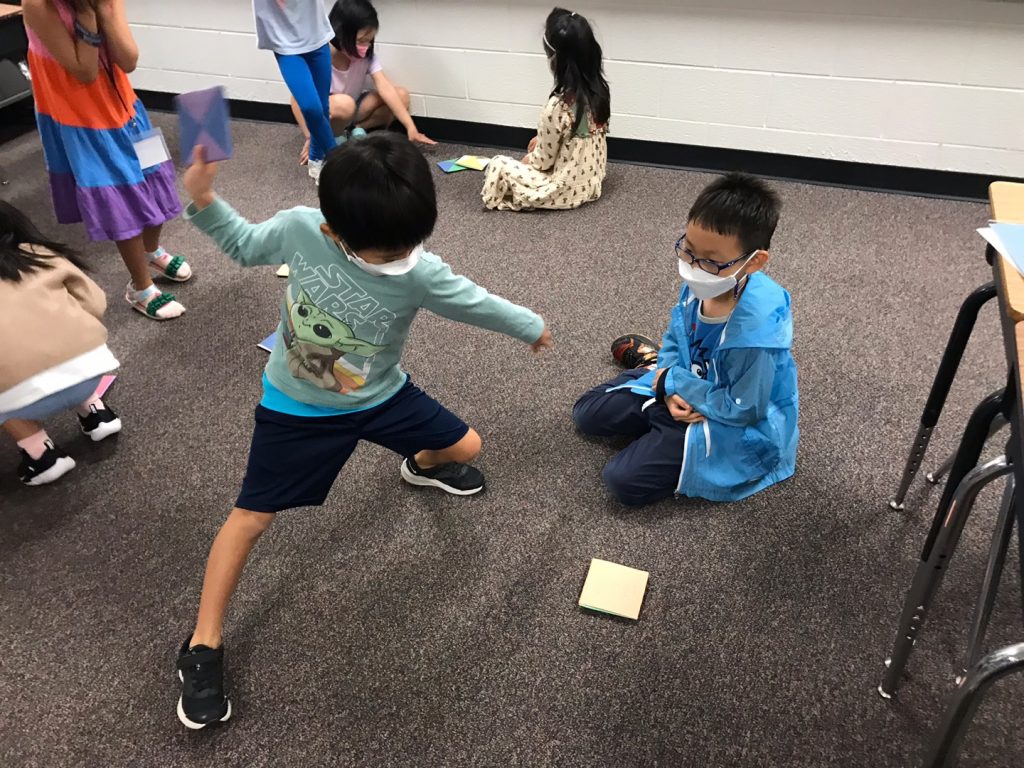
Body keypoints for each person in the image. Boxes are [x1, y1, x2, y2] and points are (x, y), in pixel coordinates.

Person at [173, 132, 553, 729]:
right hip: (297, 407)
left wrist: (529, 325)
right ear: (333, 230)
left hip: (379, 397)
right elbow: (244, 245)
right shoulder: (302, 228)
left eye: (411, 245)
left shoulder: (418, 270)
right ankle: (202, 644)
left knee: (468, 446)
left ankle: (419, 466)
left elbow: (474, 301)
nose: (402, 259)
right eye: (386, 253)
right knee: (249, 519)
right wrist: (203, 199)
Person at [573, 173, 798, 506]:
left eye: (711, 261)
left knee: (621, 483)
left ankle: (657, 383)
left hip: (728, 419)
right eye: (688, 251)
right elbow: (676, 335)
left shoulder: (754, 337)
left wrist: (673, 382)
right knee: (586, 413)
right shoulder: (703, 283)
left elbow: (743, 409)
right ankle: (653, 366)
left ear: (754, 262)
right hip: (685, 380)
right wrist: (668, 379)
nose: (694, 267)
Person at [22, 0, 190, 320]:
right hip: (83, 120)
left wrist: (102, 10)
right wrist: (86, 15)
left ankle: (151, 251)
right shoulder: (38, 5)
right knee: (121, 199)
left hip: (126, 108)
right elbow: (85, 72)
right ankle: (141, 287)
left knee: (156, 178)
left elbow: (128, 60)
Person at [0, 200, 122, 486]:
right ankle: (96, 413)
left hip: (17, 399)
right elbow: (95, 302)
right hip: (90, 370)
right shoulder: (37, 253)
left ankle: (41, 456)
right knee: (60, 345)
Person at [481, 7, 609, 212]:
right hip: (592, 182)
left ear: (554, 59)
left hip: (564, 189)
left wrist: (528, 159)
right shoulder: (599, 92)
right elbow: (576, 137)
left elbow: (543, 162)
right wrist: (541, 139)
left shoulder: (557, 106)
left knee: (498, 165)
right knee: (539, 145)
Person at [290, 0, 434, 166]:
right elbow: (296, 100)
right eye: (360, 40)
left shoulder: (365, 56)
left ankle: (354, 129)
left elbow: (385, 87)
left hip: (354, 108)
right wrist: (311, 138)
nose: (365, 46)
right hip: (331, 112)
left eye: (369, 40)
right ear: (340, 33)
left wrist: (410, 127)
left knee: (401, 96)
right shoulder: (320, 56)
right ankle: (330, 136)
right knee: (344, 104)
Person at [253, 0, 337, 183]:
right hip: (285, 44)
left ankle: (316, 158)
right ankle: (341, 161)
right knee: (311, 108)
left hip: (316, 36)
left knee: (322, 107)